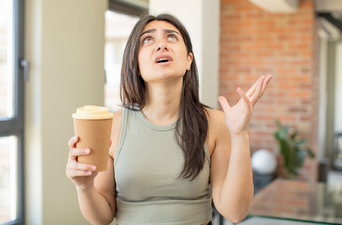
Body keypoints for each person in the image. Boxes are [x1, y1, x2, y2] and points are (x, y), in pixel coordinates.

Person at [66, 13, 272, 225]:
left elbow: (235, 213)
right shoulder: (112, 126)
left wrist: (239, 134)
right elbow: (102, 217)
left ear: (188, 61)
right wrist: (84, 187)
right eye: (148, 39)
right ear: (135, 63)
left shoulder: (216, 123)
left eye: (171, 37)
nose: (161, 45)